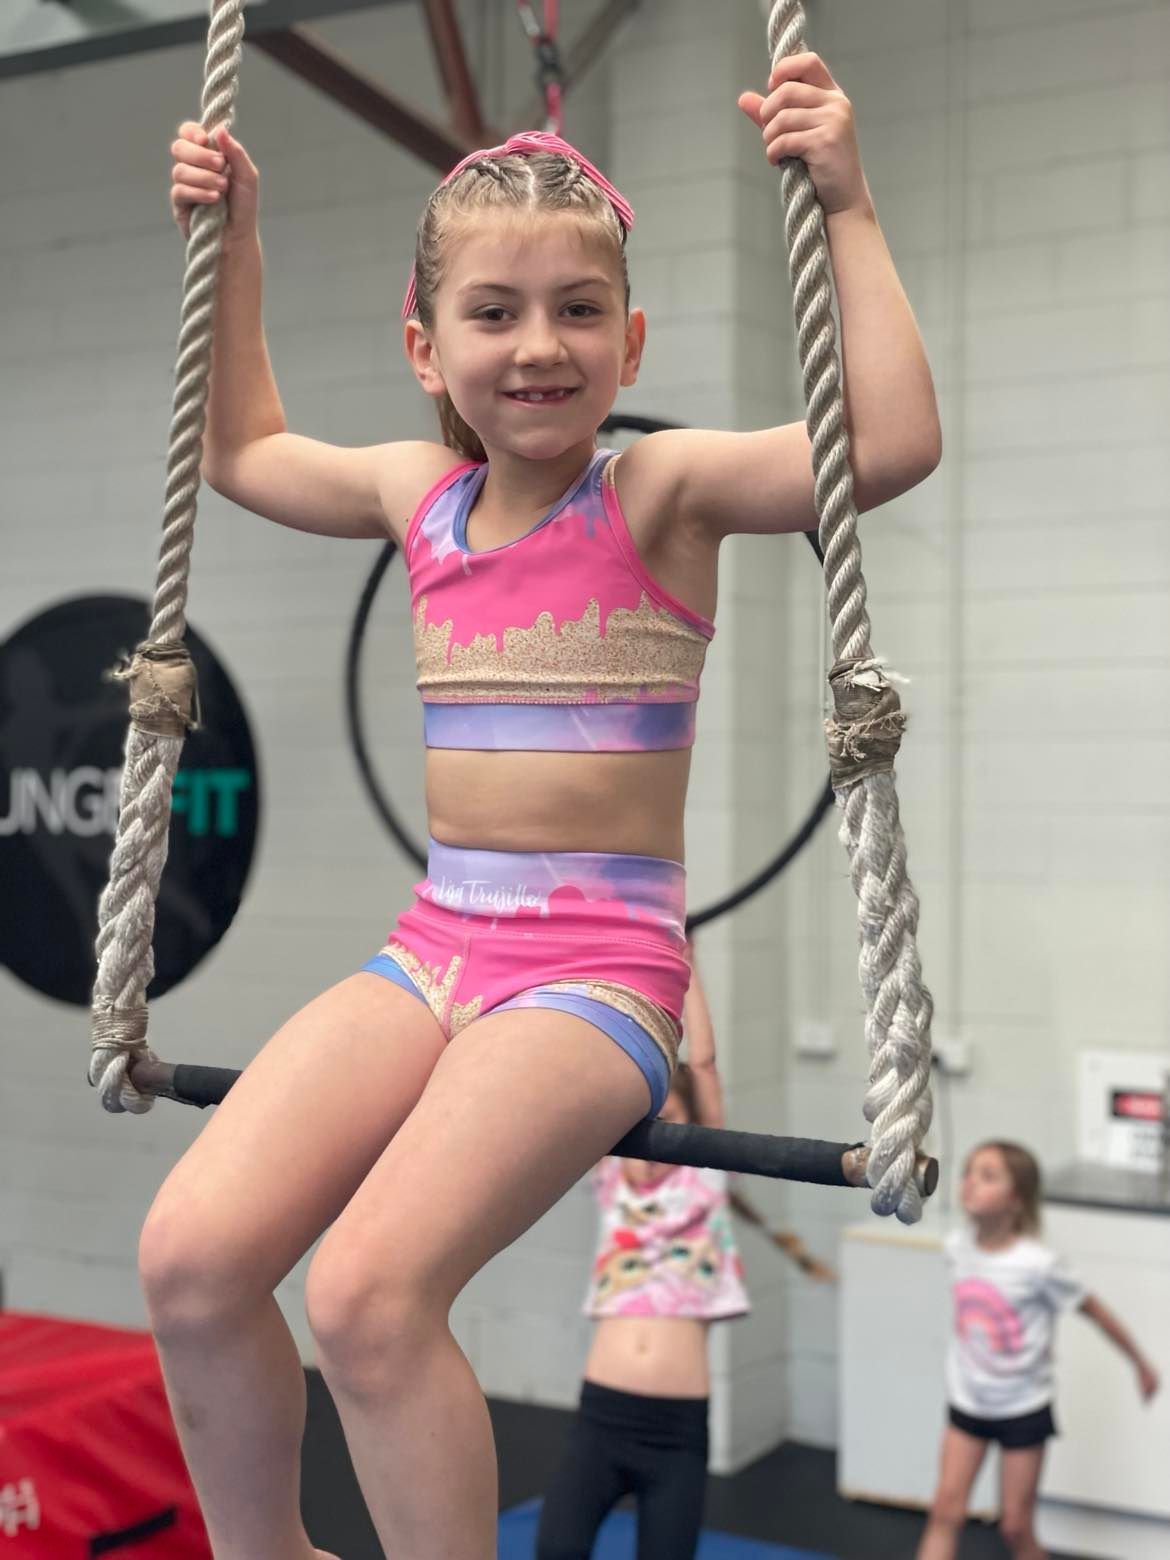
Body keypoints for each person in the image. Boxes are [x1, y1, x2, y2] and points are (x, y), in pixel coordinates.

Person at [145, 48, 941, 1560]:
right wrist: (234, 239)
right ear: (423, 341)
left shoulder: (661, 494)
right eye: (492, 312)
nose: (537, 345)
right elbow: (243, 449)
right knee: (189, 1255)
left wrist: (842, 201)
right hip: (433, 944)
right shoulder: (414, 499)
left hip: (598, 974)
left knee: (368, 1296)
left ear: (629, 341)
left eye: (578, 311)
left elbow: (885, 445)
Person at [536, 942, 748, 1560]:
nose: (652, 1148)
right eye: (643, 1132)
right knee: (555, 1550)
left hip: (676, 1431)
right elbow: (576, 1074)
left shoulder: (704, 1178)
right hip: (600, 1418)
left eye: (670, 1127)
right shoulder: (610, 1178)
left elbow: (702, 1065)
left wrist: (682, 953)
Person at [917, 1141, 1161, 1560]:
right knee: (944, 1511)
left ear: (1016, 1200)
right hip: (969, 1401)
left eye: (988, 1176)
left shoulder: (1038, 1264)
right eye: (969, 1172)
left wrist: (1139, 1361)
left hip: (1023, 1408)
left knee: (1014, 1527)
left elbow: (1095, 1311)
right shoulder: (958, 1248)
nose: (970, 1182)